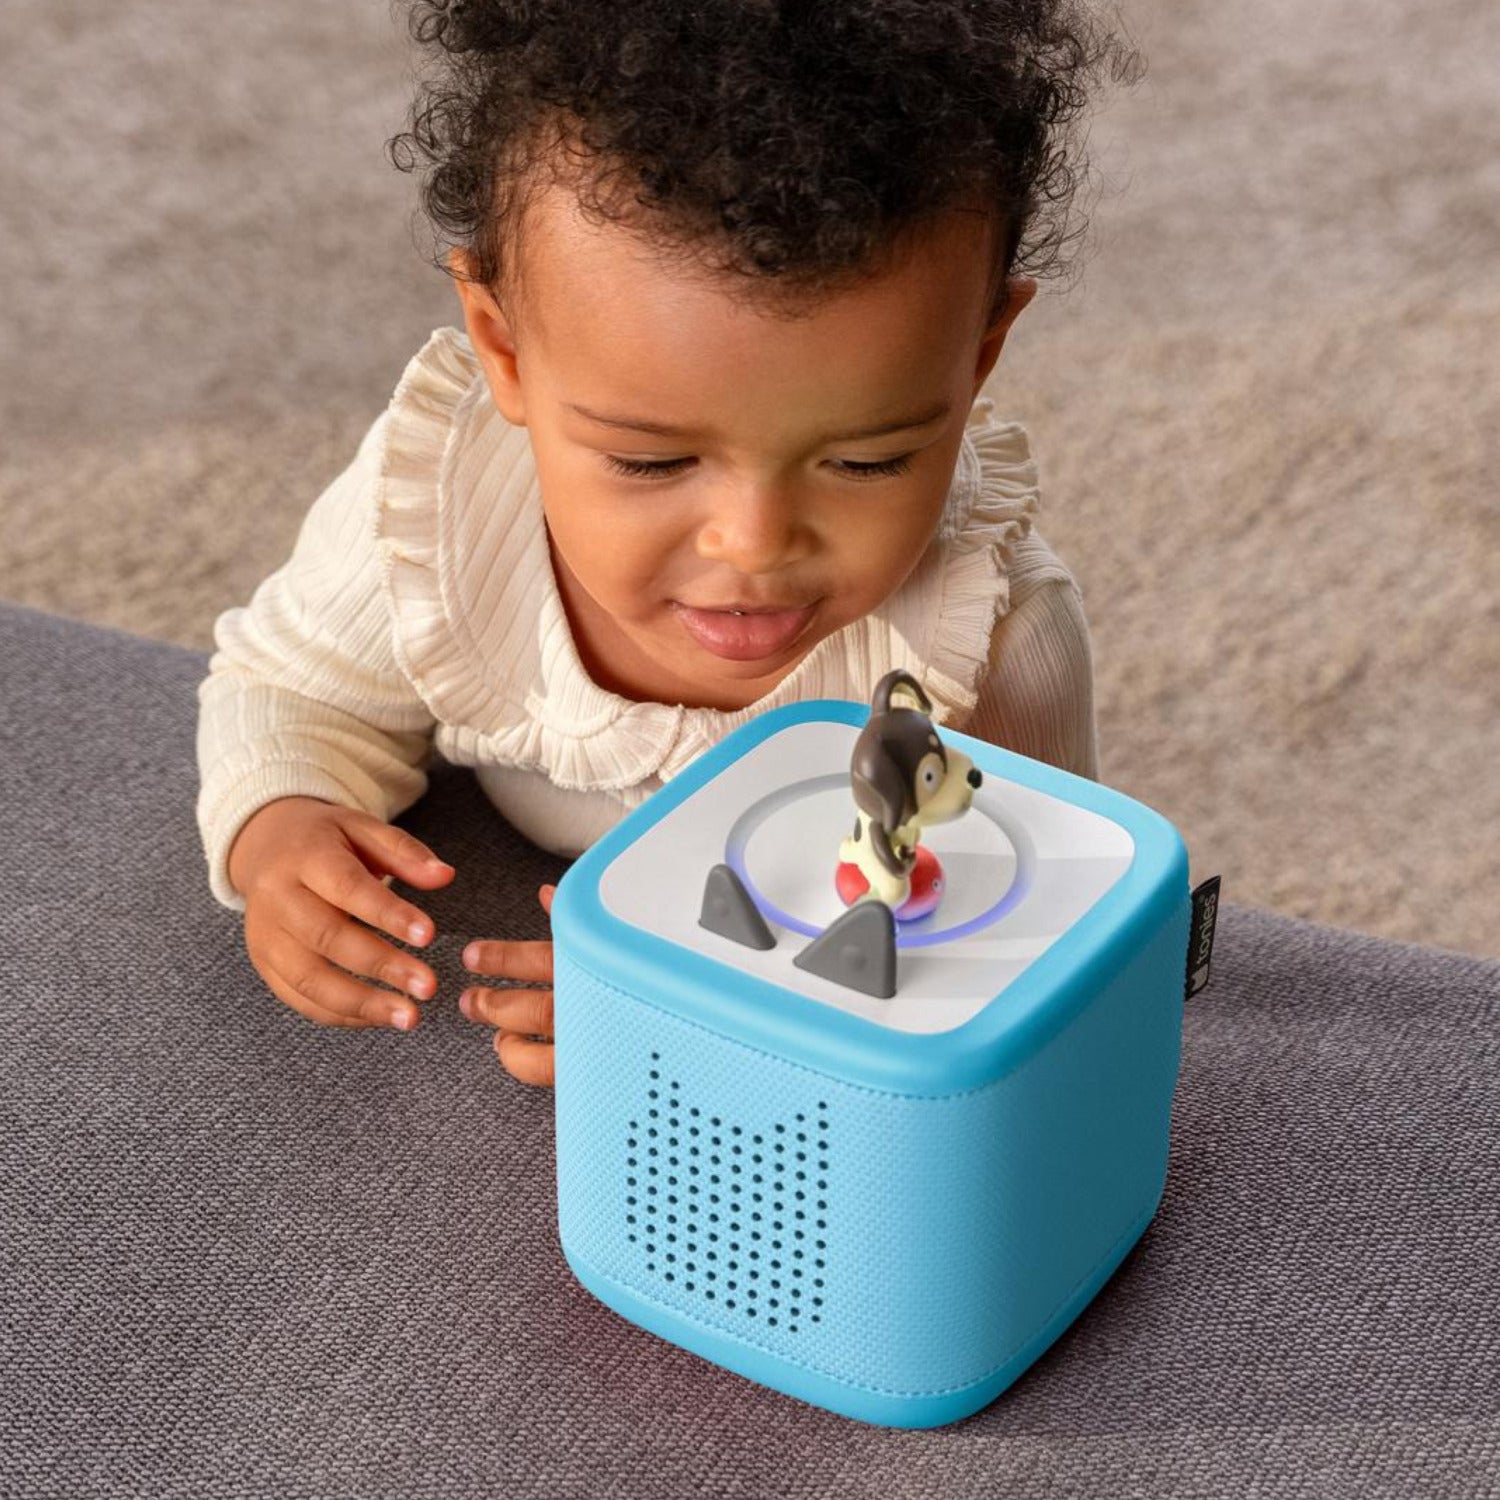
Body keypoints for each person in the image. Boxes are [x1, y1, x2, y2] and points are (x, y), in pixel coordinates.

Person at [196, 0, 1144, 1087]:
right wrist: (280, 824)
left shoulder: (994, 642)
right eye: (650, 463)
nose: (753, 546)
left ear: (978, 354)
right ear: (504, 349)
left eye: (867, 461)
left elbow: (1036, 948)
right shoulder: (440, 511)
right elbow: (288, 686)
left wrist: (729, 1023)